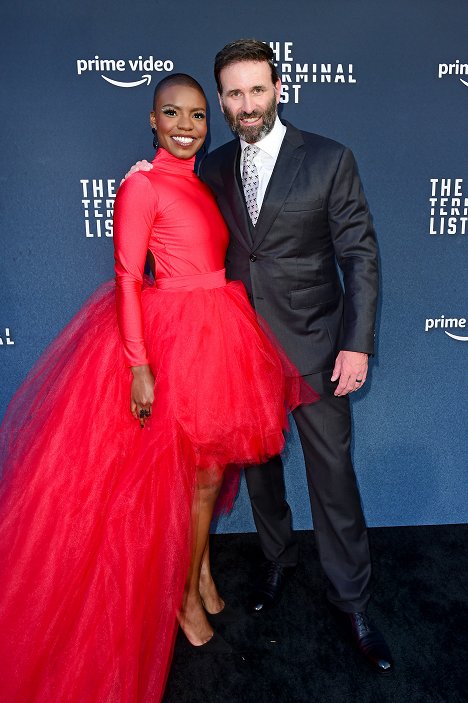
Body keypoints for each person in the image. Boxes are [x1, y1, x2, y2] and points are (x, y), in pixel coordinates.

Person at [0, 74, 315, 703]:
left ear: (209, 122)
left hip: (218, 329)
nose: (184, 125)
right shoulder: (140, 185)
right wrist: (139, 364)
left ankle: (198, 573)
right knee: (190, 477)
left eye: (197, 115)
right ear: (151, 119)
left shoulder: (199, 183)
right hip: (169, 339)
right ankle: (177, 596)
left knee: (209, 469)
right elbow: (125, 276)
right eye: (171, 113)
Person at [126, 40, 394, 674]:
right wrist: (144, 175)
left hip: (318, 348)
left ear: (279, 89)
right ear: (221, 101)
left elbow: (360, 256)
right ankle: (276, 563)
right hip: (237, 354)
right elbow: (169, 227)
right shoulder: (210, 167)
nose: (246, 105)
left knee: (334, 481)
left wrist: (356, 342)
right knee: (262, 477)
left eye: (257, 90)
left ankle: (352, 600)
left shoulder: (329, 158)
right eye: (234, 94)